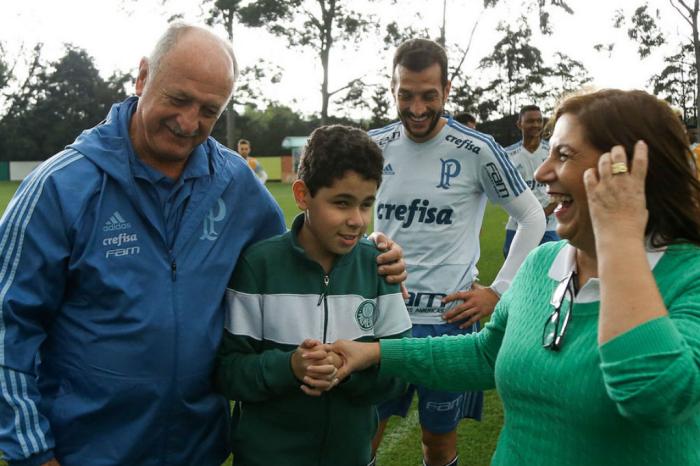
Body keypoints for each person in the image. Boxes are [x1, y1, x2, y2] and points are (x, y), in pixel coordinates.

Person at [0, 24, 406, 466]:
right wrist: (34, 454)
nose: (189, 122)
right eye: (178, 99)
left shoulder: (236, 185)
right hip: (87, 452)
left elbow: (301, 248)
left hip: (199, 449)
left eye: (209, 110)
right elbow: (8, 330)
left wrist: (371, 257)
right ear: (142, 78)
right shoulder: (60, 187)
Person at [332, 89, 700, 466]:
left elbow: (653, 397)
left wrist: (620, 236)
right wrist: (375, 353)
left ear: (626, 171)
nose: (541, 173)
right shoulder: (544, 263)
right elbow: (486, 353)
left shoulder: (690, 277)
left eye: (564, 155)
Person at [368, 39, 545, 466]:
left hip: (448, 326)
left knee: (438, 442)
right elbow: (346, 214)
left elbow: (533, 217)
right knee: (360, 437)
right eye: (405, 94)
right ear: (392, 90)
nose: (416, 107)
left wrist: (499, 291)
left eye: (428, 95)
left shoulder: (477, 148)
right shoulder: (371, 146)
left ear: (446, 90)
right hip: (381, 318)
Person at [214, 125, 412, 466]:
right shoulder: (257, 266)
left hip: (349, 455)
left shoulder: (379, 268)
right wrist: (290, 366)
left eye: (366, 204)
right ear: (303, 195)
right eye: (341, 203)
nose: (356, 220)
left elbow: (403, 367)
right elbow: (229, 372)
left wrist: (349, 369)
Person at [503, 105, 559, 257]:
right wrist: (526, 215)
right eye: (530, 121)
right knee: (513, 274)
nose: (535, 125)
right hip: (518, 224)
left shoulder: (553, 152)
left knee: (550, 272)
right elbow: (503, 192)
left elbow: (562, 187)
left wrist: (543, 213)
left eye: (539, 121)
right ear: (519, 124)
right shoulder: (507, 155)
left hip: (549, 226)